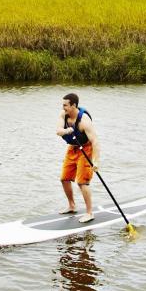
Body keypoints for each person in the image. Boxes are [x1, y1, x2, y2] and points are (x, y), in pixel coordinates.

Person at [58, 92, 98, 221]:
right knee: (64, 179)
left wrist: (96, 162)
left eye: (65, 105)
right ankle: (72, 206)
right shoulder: (63, 115)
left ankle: (90, 213)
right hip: (72, 148)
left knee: (82, 182)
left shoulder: (84, 121)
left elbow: (95, 142)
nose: (63, 107)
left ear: (74, 105)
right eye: (63, 105)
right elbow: (58, 131)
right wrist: (67, 130)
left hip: (86, 149)